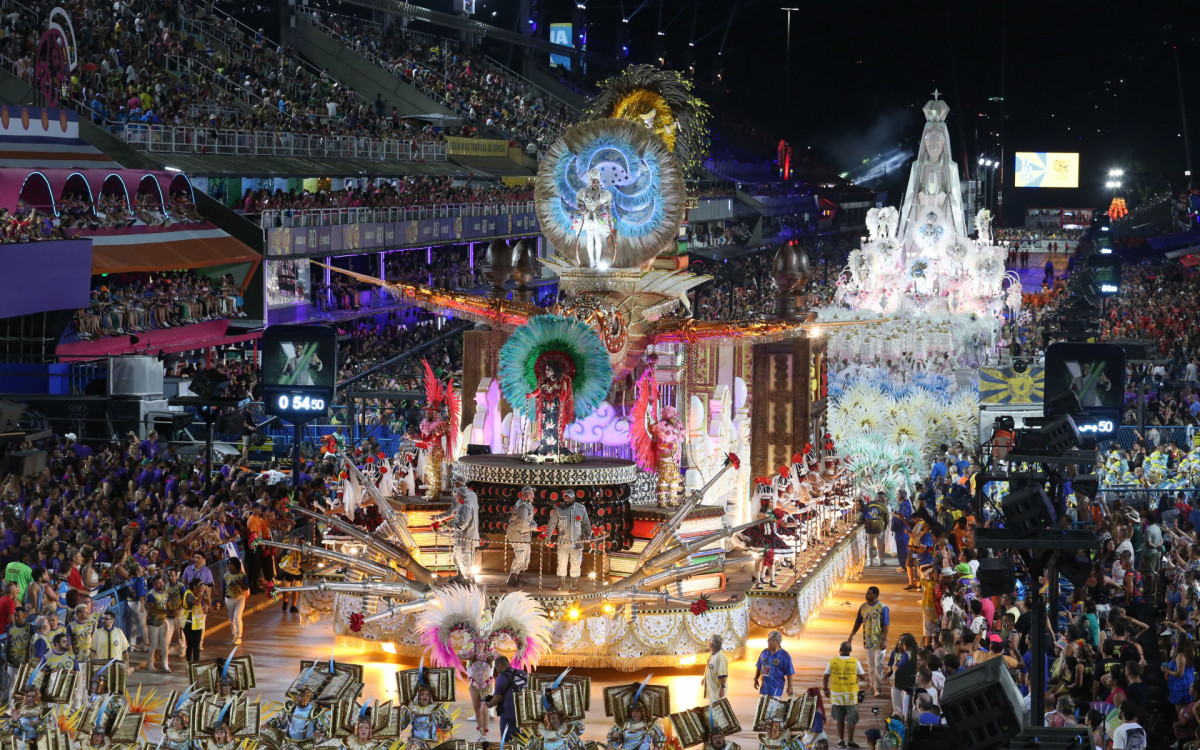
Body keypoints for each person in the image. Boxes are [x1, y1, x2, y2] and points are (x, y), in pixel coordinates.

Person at [848, 586, 889, 698]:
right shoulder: (863, 607)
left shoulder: (883, 608)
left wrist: (885, 640)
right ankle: (872, 685)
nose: (867, 595)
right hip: (868, 641)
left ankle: (877, 688)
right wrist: (851, 636)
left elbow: (886, 625)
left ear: (875, 595)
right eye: (867, 593)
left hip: (879, 641)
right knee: (871, 665)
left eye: (869, 593)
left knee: (878, 665)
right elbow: (858, 622)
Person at [822, 641, 864, 749]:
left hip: (837, 695)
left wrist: (825, 689)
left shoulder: (833, 662)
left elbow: (825, 676)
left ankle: (841, 741)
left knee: (839, 719)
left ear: (839, 650)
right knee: (851, 719)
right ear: (850, 651)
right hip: (851, 696)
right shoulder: (855, 662)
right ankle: (850, 741)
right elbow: (863, 677)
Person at [548, 490, 591, 590]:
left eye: (569, 498)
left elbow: (586, 525)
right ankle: (561, 584)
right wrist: (547, 536)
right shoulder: (559, 509)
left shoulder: (581, 508)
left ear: (573, 498)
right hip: (563, 542)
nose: (567, 500)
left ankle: (574, 584)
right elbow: (551, 524)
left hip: (577, 542)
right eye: (565, 497)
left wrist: (588, 535)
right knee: (561, 563)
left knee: (576, 563)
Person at [485, 655, 527, 745]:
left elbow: (496, 700)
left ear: (500, 666)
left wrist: (488, 704)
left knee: (508, 743)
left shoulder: (501, 678)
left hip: (509, 716)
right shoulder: (522, 673)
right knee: (524, 743)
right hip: (524, 715)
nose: (496, 670)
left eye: (496, 667)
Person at [398, 684, 452, 750]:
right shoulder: (412, 709)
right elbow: (401, 724)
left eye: (427, 694)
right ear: (418, 697)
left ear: (430, 697)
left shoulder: (435, 709)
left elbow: (446, 720)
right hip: (415, 744)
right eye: (422, 694)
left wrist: (447, 726)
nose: (425, 696)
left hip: (431, 744)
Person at [505, 486, 535, 587]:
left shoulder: (528, 504)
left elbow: (530, 519)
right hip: (517, 534)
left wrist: (534, 524)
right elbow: (523, 521)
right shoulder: (522, 505)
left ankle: (521, 577)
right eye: (530, 493)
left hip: (524, 534)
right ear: (524, 494)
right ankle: (512, 579)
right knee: (520, 557)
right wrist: (534, 527)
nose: (532, 495)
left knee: (526, 557)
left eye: (533, 493)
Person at [754, 631, 795, 697]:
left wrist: (790, 687)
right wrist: (756, 679)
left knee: (772, 703)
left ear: (777, 642)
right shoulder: (764, 653)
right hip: (764, 688)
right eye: (768, 639)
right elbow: (759, 667)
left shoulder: (784, 656)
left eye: (771, 640)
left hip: (776, 689)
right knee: (762, 702)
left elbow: (789, 673)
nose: (768, 641)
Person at [144, 573, 171, 672]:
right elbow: (151, 609)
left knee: (164, 645)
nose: (161, 584)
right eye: (158, 583)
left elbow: (168, 606)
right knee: (153, 645)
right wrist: (165, 611)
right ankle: (150, 664)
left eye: (161, 582)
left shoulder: (166, 594)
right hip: (153, 624)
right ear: (154, 584)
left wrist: (171, 610)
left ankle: (165, 665)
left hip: (163, 622)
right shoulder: (151, 595)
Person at [223, 557, 249, 645]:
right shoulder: (226, 575)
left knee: (237, 617)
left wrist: (240, 584)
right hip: (229, 599)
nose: (229, 566)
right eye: (228, 564)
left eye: (231, 564)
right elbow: (224, 588)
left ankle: (239, 636)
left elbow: (246, 587)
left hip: (240, 598)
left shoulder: (242, 575)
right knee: (231, 619)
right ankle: (234, 634)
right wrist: (222, 601)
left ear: (236, 565)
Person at [182, 576, 206, 663]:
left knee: (197, 645)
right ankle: (189, 663)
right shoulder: (188, 594)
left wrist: (206, 592)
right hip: (188, 623)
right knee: (190, 644)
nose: (201, 586)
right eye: (200, 585)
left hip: (197, 624)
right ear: (194, 586)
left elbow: (209, 601)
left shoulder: (199, 594)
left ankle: (196, 664)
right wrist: (201, 592)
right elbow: (196, 603)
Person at [704, 634, 727, 702]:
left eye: (710, 641)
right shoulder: (713, 655)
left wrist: (722, 688)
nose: (708, 642)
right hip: (712, 691)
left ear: (712, 645)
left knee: (716, 707)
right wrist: (705, 679)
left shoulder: (720, 658)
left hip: (717, 692)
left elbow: (723, 675)